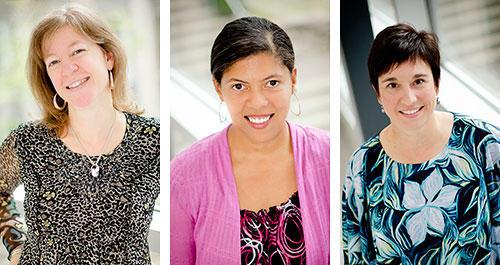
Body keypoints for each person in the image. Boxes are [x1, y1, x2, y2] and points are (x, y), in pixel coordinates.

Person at [0, 4, 159, 264]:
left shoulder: (154, 140)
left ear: (108, 56)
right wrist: (16, 246)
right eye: (54, 61)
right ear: (48, 76)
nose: (68, 68)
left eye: (78, 51)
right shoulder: (29, 142)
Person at [170, 17, 330, 264]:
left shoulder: (328, 157)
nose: (257, 102)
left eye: (272, 83)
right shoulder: (184, 176)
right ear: (218, 88)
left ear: (293, 79)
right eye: (239, 86)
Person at [342, 23, 500, 265]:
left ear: (436, 83)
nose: (409, 98)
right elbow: (356, 252)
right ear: (378, 93)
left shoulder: (482, 142)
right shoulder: (363, 164)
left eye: (418, 81)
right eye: (392, 85)